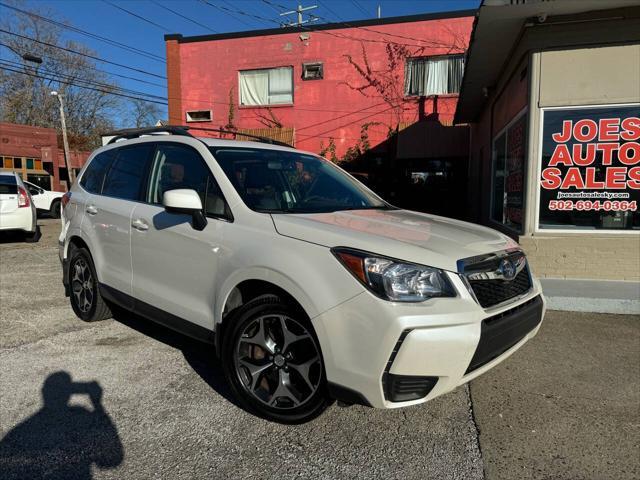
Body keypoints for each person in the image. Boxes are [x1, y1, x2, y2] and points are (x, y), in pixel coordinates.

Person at [0, 371, 124, 479]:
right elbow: (112, 458)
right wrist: (97, 404)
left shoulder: (20, 432)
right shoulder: (81, 416)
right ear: (70, 393)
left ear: (43, 392)